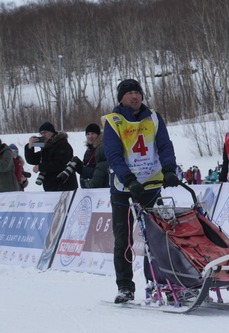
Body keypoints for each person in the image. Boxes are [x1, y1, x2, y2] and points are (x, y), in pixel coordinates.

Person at [102, 78, 179, 304]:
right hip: (124, 189)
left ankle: (156, 280)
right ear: (121, 98)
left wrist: (169, 169)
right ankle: (125, 286)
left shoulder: (154, 118)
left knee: (156, 237)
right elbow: (113, 155)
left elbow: (164, 145)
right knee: (123, 239)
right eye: (130, 93)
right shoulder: (113, 121)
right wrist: (129, 180)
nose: (135, 96)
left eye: (138, 92)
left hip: (151, 185)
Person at [24, 122, 78, 191]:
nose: (43, 135)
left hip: (65, 186)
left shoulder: (62, 144)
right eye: (41, 133)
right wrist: (29, 147)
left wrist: (40, 167)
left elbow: (60, 164)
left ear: (52, 132)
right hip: (51, 187)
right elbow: (32, 160)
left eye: (45, 132)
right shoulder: (46, 147)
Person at [75, 123, 102, 188]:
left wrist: (82, 169)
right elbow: (88, 167)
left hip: (99, 189)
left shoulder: (102, 149)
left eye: (93, 133)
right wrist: (79, 167)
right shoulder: (89, 150)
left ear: (98, 135)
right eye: (88, 134)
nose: (90, 136)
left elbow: (101, 172)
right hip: (88, 187)